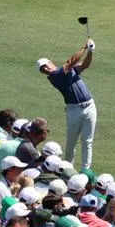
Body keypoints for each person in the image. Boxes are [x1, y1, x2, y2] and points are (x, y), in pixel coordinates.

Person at [37, 38, 97, 169]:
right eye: (43, 69)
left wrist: (91, 51)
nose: (46, 69)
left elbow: (84, 65)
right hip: (74, 110)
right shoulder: (55, 76)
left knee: (87, 142)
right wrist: (84, 47)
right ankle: (66, 169)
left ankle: (85, 171)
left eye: (46, 65)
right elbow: (71, 62)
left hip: (90, 106)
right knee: (71, 143)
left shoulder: (66, 71)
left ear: (51, 63)